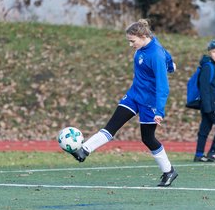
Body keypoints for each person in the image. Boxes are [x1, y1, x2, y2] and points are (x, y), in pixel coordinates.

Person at [71, 19, 178, 187]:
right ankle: (84, 150)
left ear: (143, 37)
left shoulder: (155, 55)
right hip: (134, 95)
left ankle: (168, 171)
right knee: (112, 126)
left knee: (148, 138)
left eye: (132, 41)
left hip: (149, 103)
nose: (130, 44)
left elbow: (163, 87)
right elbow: (167, 55)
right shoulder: (147, 46)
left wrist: (159, 111)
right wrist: (171, 64)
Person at [193, 39, 215, 163]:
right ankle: (212, 152)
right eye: (214, 52)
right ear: (209, 53)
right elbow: (204, 88)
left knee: (205, 128)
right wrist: (208, 106)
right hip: (211, 105)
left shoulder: (214, 66)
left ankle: (198, 154)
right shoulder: (208, 67)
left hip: (214, 103)